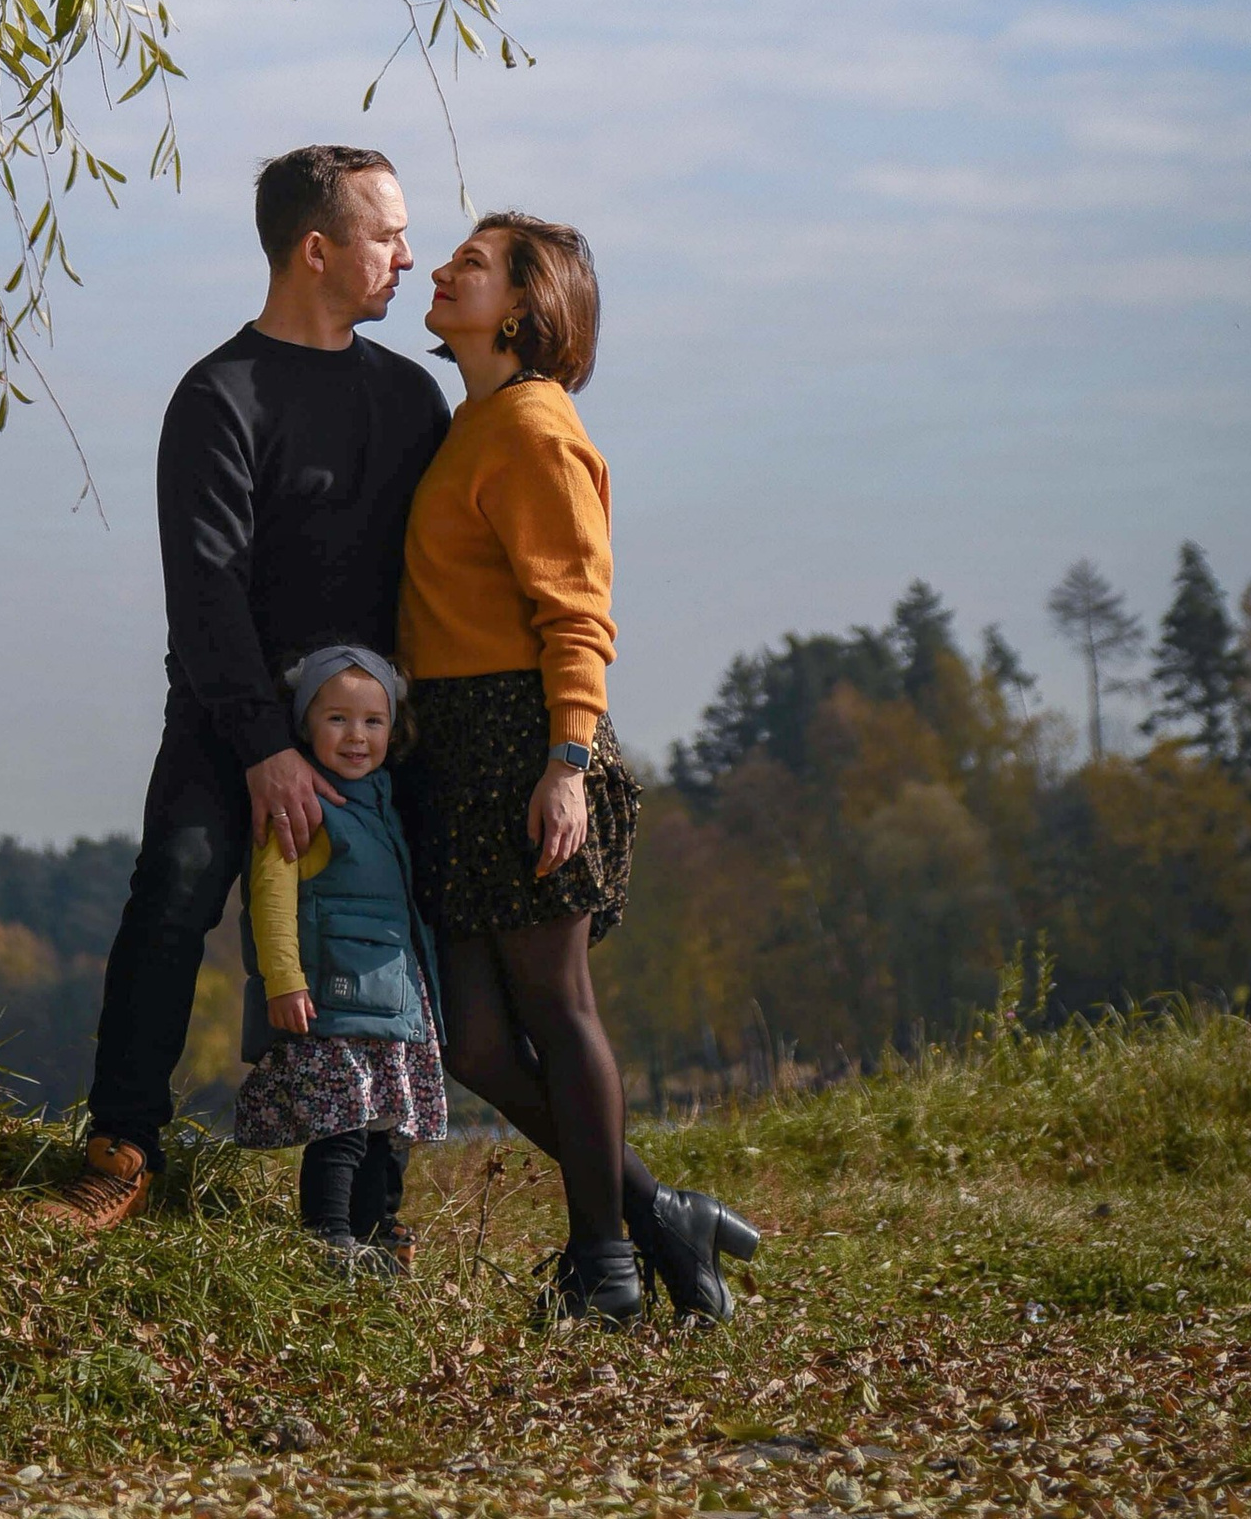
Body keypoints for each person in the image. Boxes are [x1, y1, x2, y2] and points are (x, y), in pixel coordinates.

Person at [45, 141, 451, 1235]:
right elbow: (205, 589)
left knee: (393, 935)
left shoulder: (414, 397)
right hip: (233, 716)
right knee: (175, 889)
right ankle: (123, 1146)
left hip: (373, 728)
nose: (409, 256)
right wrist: (266, 744)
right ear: (316, 250)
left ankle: (368, 1209)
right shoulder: (217, 396)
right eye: (386, 235)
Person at [398, 209, 761, 1328]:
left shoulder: (535, 426)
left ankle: (604, 1259)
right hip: (457, 749)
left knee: (557, 1008)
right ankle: (660, 1215)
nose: (446, 267)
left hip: (523, 740)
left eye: (473, 260)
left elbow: (577, 612)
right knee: (473, 1040)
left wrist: (562, 759)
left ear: (524, 306)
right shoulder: (475, 423)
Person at [232, 644, 447, 1267]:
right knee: (342, 1127)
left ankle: (376, 1232)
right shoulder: (304, 805)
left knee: (387, 1129)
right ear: (304, 724)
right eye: (337, 720)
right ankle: (327, 1236)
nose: (356, 737)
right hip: (332, 999)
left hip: (396, 1003)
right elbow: (271, 898)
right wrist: (284, 980)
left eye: (372, 722)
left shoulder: (387, 803)